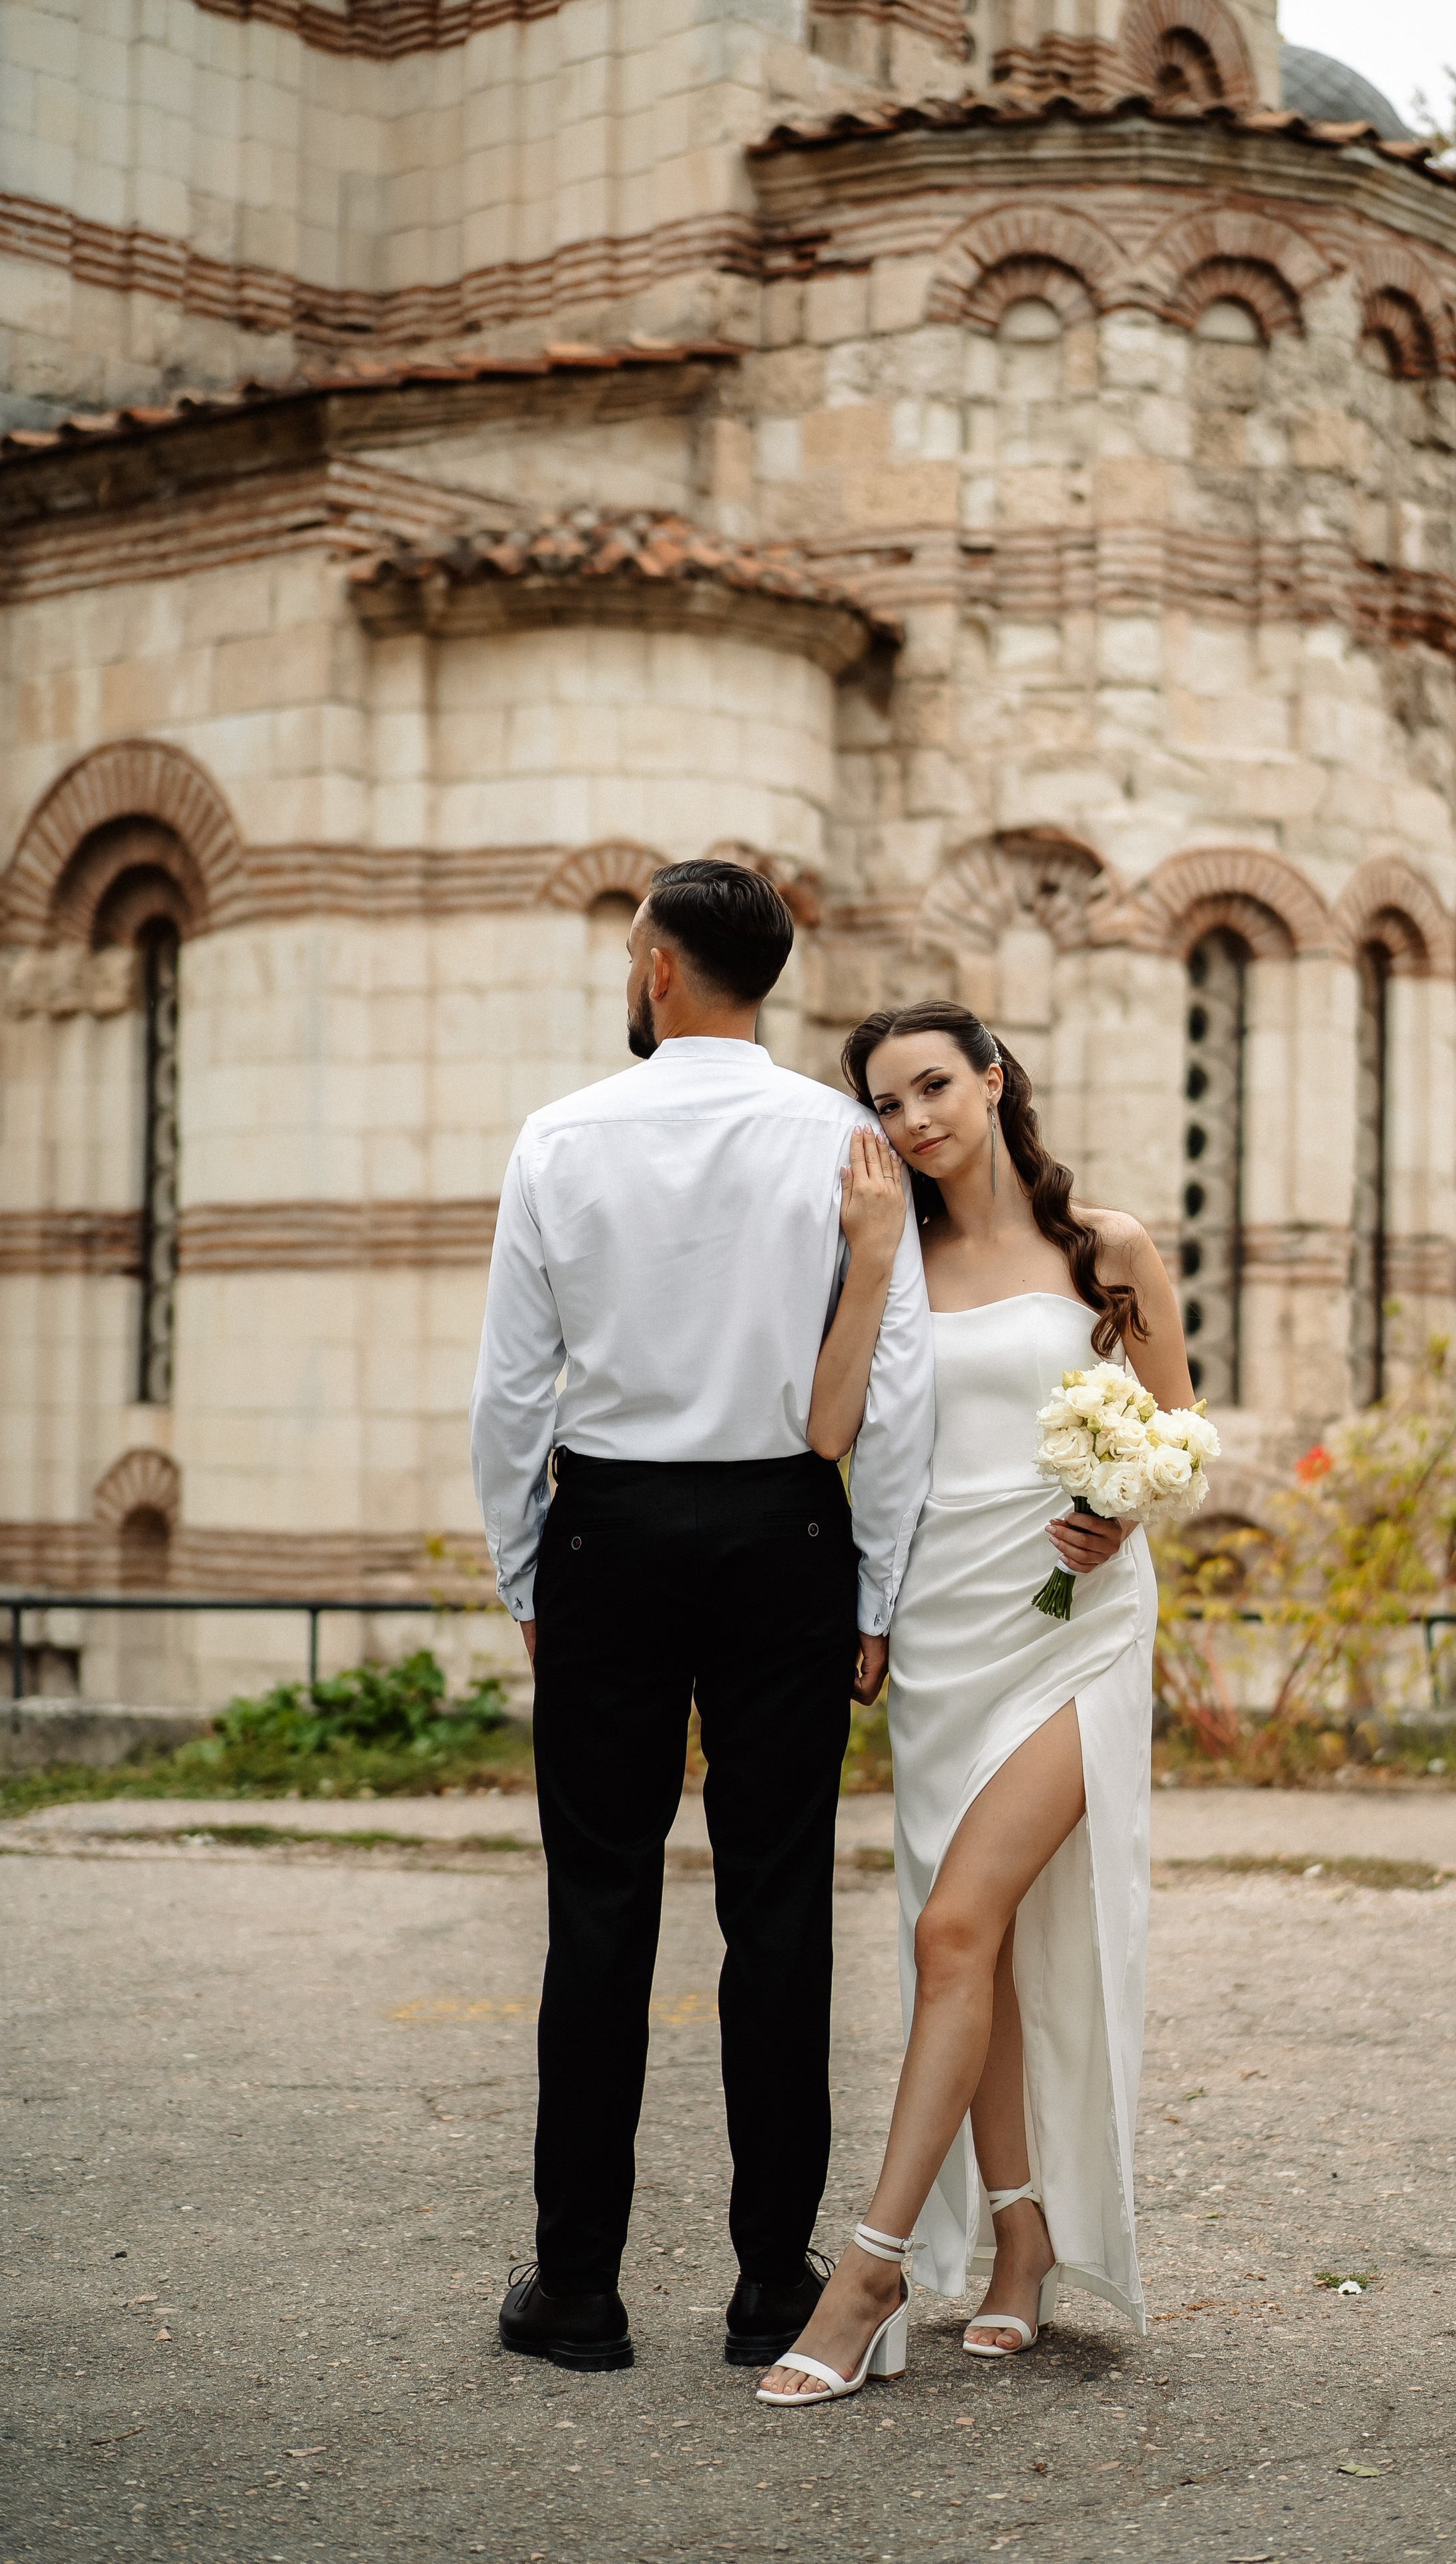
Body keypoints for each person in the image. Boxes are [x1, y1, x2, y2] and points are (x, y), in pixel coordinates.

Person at [469, 861, 935, 2374]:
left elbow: (509, 1394)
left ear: (658, 968)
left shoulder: (557, 1137)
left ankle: (578, 2290)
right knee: (778, 1905)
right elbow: (898, 1389)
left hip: (607, 1530)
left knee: (598, 1907)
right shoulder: (845, 1141)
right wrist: (876, 1582)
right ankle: (764, 2287)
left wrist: (524, 1568)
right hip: (781, 1537)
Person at [758, 999, 1194, 2405]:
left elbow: (1179, 1436)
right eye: (884, 1104)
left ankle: (870, 2270)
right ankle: (1017, 2244)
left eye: (933, 1085)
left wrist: (1120, 1516)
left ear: (994, 1080)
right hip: (939, 1630)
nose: (912, 1120)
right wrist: (874, 1253)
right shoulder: (890, 1254)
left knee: (953, 1923)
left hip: (1072, 1626)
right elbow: (827, 1435)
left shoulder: (1104, 1249)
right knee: (977, 1951)